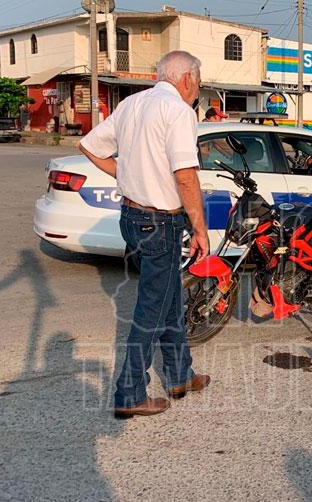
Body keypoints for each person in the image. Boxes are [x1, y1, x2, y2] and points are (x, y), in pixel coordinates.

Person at [79, 50, 211, 418]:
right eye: (198, 82)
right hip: (160, 223)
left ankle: (180, 375)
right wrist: (200, 229)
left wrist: (124, 174)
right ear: (187, 78)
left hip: (132, 217)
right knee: (152, 309)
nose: (197, 90)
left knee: (169, 297)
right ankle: (129, 392)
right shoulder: (178, 111)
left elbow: (88, 146)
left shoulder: (131, 104)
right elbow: (186, 176)